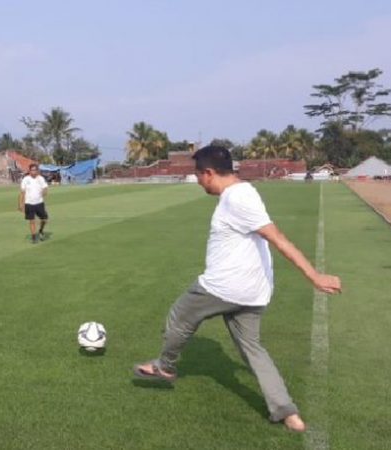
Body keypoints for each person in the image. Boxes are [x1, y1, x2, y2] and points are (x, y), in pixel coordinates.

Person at [131, 146, 342, 432]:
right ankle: (287, 413)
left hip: (223, 287)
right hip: (253, 292)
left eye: (197, 175)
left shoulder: (236, 199)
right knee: (253, 349)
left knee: (180, 315)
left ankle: (164, 366)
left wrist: (314, 276)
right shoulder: (245, 191)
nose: (198, 182)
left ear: (208, 173)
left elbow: (277, 237)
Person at [17, 164, 49, 244]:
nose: (33, 172)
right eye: (32, 170)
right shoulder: (26, 179)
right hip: (29, 203)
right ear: (29, 171)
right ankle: (33, 236)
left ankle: (41, 230)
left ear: (37, 171)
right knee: (32, 221)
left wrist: (44, 192)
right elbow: (22, 192)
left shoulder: (41, 179)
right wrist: (20, 204)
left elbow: (45, 188)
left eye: (35, 170)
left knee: (44, 219)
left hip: (39, 202)